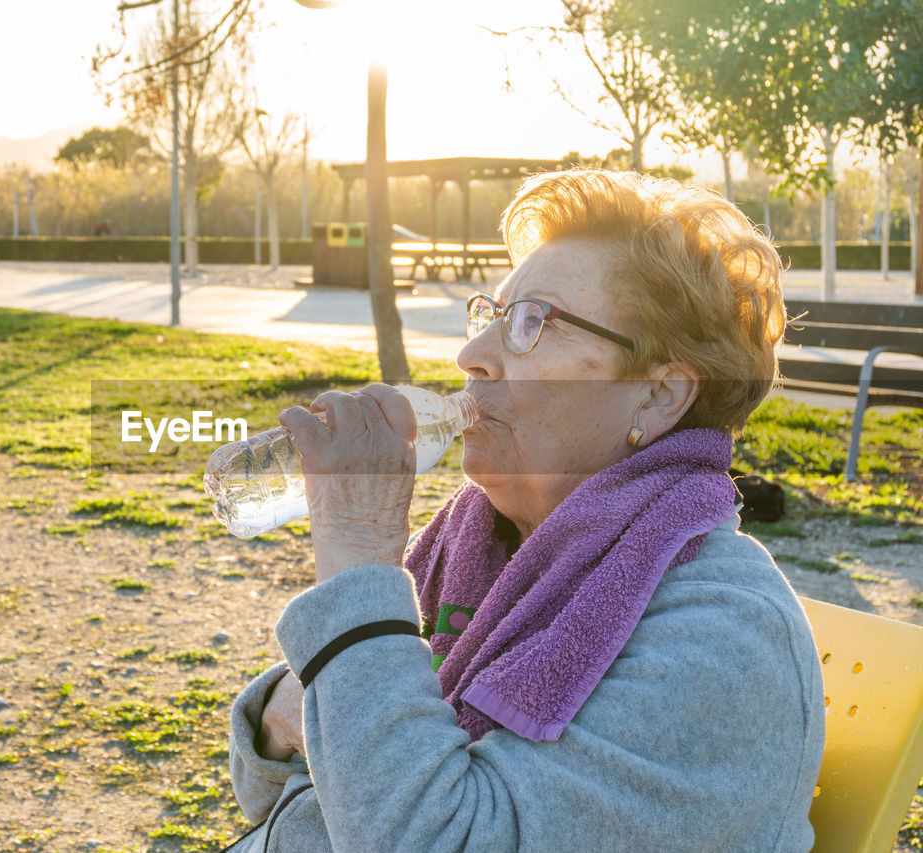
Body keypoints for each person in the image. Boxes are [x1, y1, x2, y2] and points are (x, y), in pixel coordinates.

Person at [224, 169, 824, 852]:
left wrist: (359, 558)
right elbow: (273, 791)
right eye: (490, 317)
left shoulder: (723, 638)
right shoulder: (483, 550)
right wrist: (284, 715)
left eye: (533, 323)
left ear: (659, 394)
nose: (471, 355)